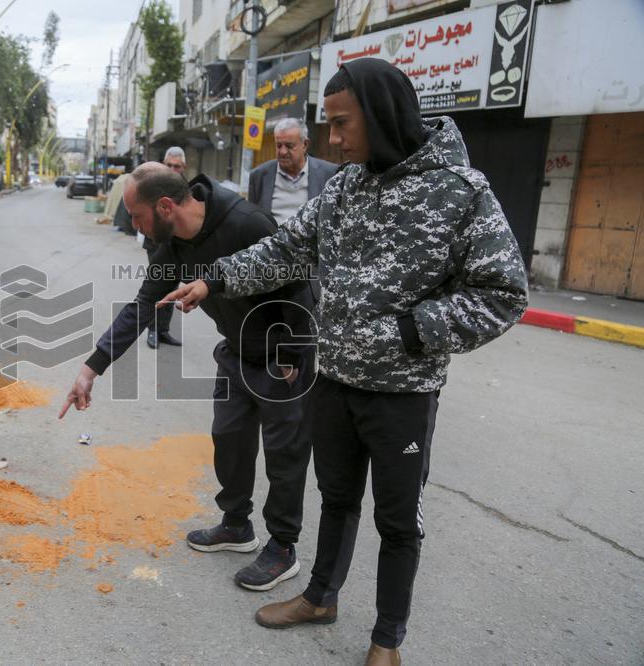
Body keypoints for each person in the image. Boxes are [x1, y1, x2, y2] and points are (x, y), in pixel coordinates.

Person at [162, 59, 528, 665]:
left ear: (382, 116)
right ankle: (319, 596)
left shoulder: (460, 191)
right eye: (326, 126)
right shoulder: (345, 187)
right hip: (332, 380)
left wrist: (414, 331)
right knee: (335, 498)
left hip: (402, 392)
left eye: (341, 124)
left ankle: (387, 639)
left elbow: (504, 293)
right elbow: (285, 249)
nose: (332, 140)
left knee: (397, 520)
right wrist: (216, 278)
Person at [60, 162, 317, 592]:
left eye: (137, 216)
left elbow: (298, 283)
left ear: (164, 206)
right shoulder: (175, 247)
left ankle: (283, 546)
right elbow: (142, 306)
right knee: (230, 439)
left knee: (283, 456)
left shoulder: (246, 222)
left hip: (281, 355)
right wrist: (91, 369)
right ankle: (236, 525)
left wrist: (291, 354)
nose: (135, 226)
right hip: (236, 352)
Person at [248, 117, 338, 225]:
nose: (283, 152)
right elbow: (252, 219)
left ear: (305, 144)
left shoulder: (330, 174)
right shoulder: (259, 176)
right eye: (279, 145)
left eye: (289, 146)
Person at [143, 147, 188, 349]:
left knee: (172, 287)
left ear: (183, 167)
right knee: (157, 287)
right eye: (168, 165)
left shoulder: (188, 188)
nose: (171, 169)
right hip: (156, 243)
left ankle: (163, 330)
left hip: (177, 246)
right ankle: (152, 329)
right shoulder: (153, 185)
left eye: (176, 166)